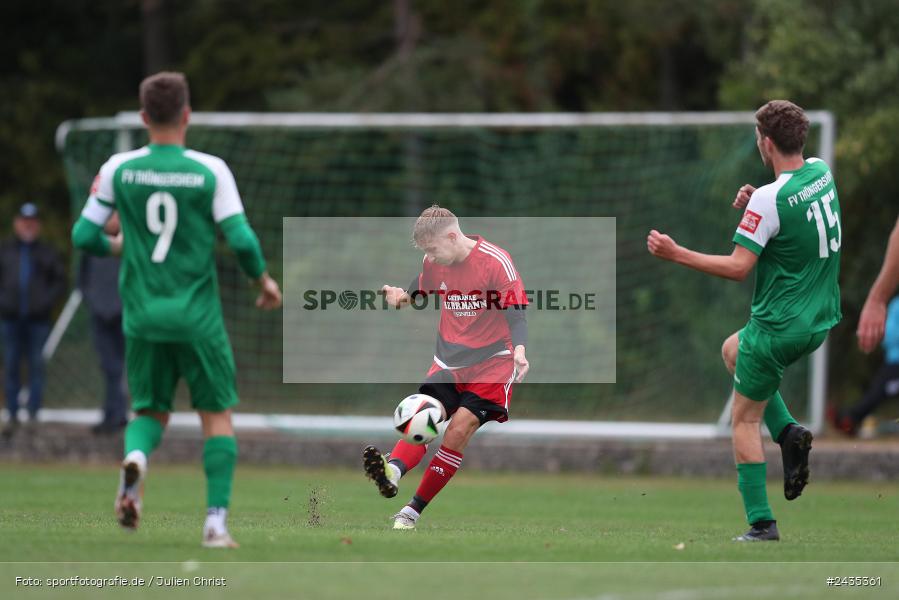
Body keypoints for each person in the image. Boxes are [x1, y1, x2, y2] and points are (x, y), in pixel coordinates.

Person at [71, 71, 282, 548]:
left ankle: (138, 463)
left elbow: (83, 236)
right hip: (197, 318)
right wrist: (263, 281)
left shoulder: (118, 168)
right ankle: (214, 524)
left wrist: (124, 245)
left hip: (143, 316)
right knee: (216, 415)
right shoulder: (210, 170)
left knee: (148, 410)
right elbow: (243, 240)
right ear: (187, 115)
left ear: (144, 117)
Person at [646, 100, 841, 542]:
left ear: (766, 142)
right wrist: (757, 200)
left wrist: (676, 254)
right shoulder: (820, 172)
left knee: (743, 421)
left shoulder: (771, 199)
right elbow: (793, 217)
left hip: (777, 328)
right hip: (819, 320)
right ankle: (789, 431)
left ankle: (761, 523)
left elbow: (738, 267)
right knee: (732, 350)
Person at [363, 205, 530, 530]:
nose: (432, 257)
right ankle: (392, 472)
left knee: (457, 430)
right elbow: (423, 285)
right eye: (427, 253)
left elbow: (516, 312)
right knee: (423, 414)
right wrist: (402, 298)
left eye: (434, 249)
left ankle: (410, 513)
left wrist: (520, 350)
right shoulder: (434, 261)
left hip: (493, 364)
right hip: (448, 361)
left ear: (453, 236)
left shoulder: (495, 261)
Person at [0, 203, 66, 437]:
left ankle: (34, 412)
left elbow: (59, 282)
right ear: (17, 223)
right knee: (11, 364)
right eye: (24, 221)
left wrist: (44, 303)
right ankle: (12, 412)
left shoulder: (47, 252)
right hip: (10, 319)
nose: (28, 225)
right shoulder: (6, 251)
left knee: (37, 364)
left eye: (32, 221)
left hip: (38, 320)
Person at [78, 211, 128, 434]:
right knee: (109, 367)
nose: (112, 220)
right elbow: (83, 279)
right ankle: (111, 413)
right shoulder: (92, 244)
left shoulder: (131, 243)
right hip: (100, 313)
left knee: (123, 368)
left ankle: (120, 414)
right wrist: (93, 300)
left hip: (125, 314)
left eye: (116, 216)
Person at [832, 297, 899, 436]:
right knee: (877, 393)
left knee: (877, 392)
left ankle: (850, 418)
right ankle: (849, 418)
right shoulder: (896, 305)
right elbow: (890, 335)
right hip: (895, 363)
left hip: (893, 362)